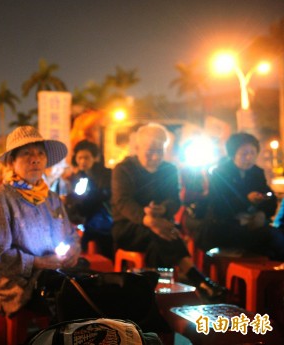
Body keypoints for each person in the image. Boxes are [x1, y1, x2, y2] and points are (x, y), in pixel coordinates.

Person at [111, 123, 225, 301]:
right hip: (128, 227)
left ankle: (152, 293)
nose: (155, 157)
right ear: (137, 148)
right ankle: (197, 281)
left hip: (162, 224)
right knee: (160, 235)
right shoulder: (123, 169)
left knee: (161, 237)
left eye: (160, 151)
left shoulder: (169, 169)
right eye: (150, 151)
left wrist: (163, 209)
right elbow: (122, 202)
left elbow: (174, 200)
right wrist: (148, 219)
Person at [0, 126, 81, 318]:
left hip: (55, 272)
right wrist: (39, 262)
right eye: (26, 153)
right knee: (73, 298)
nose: (35, 158)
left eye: (40, 153)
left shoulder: (52, 198)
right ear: (11, 162)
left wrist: (73, 250)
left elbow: (71, 235)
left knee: (95, 284)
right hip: (19, 284)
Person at [190, 132, 284, 260]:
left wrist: (262, 213)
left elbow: (269, 196)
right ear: (233, 154)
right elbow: (219, 206)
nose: (249, 157)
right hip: (223, 227)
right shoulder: (220, 173)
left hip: (252, 225)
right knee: (268, 242)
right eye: (244, 154)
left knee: (276, 242)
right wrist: (247, 200)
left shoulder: (256, 172)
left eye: (253, 153)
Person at [64, 140, 113, 259]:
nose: (82, 161)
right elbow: (76, 197)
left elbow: (101, 197)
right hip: (85, 218)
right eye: (79, 158)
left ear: (95, 158)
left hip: (104, 219)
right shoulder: (79, 176)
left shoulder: (106, 175)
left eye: (86, 158)